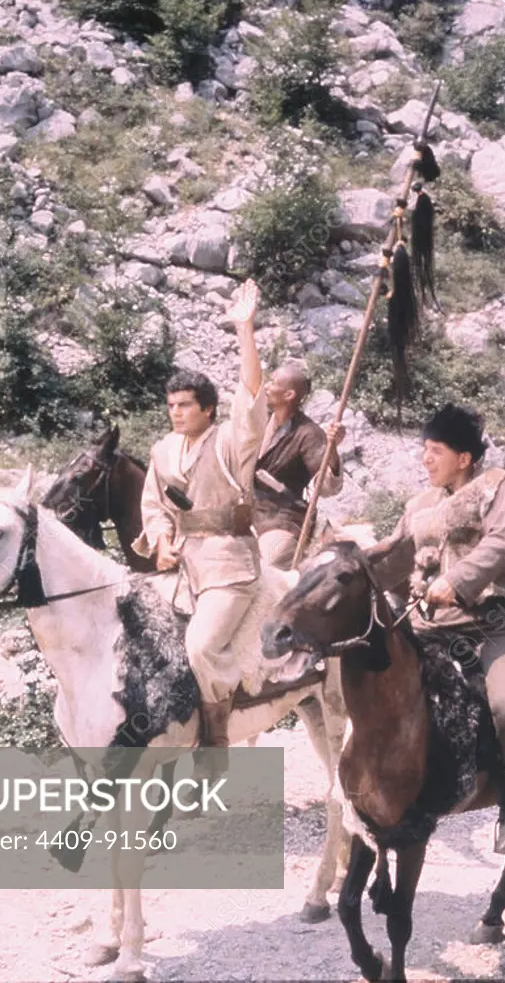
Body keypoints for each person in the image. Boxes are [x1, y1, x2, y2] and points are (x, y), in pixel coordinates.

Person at [367, 404, 505, 858]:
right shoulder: (421, 504)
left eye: (435, 451)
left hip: (496, 621)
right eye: (424, 450)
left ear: (464, 457)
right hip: (434, 624)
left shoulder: (499, 487)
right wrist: (346, 569)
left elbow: (502, 543)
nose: (425, 459)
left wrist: (457, 580)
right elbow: (395, 557)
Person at [132, 279, 266, 775]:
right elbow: (153, 507)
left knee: (203, 645)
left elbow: (252, 397)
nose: (177, 413)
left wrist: (245, 330)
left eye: (185, 405)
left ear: (207, 408)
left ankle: (216, 738)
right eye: (171, 406)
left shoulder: (231, 441)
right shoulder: (163, 451)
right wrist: (163, 542)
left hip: (229, 565)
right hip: (181, 564)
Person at [254, 362, 345, 569]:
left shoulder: (308, 433)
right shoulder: (259, 422)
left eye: (273, 382)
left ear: (289, 395)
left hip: (282, 517)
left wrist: (332, 450)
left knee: (269, 562)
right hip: (246, 510)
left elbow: (327, 488)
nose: (266, 387)